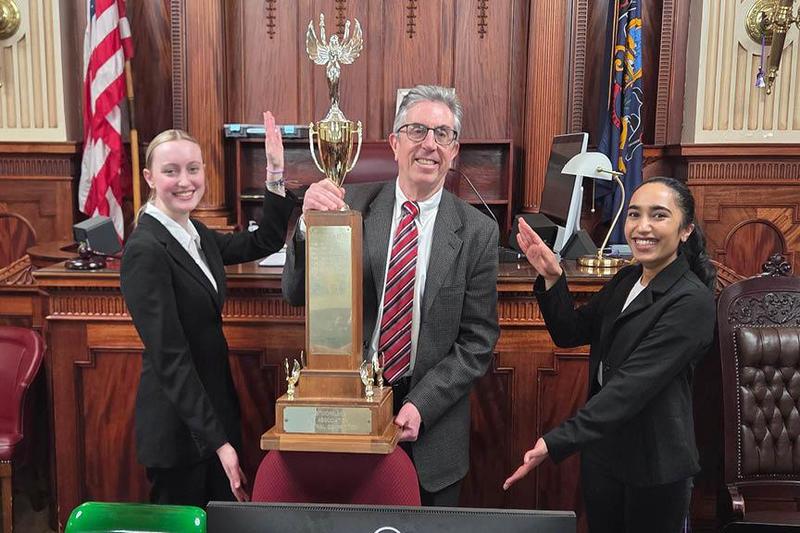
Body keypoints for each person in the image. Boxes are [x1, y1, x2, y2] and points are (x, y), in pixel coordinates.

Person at [282, 85, 500, 506]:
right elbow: (294, 294)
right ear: (395, 143)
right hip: (351, 417)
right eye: (417, 130)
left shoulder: (477, 232)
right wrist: (308, 226)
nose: (430, 145)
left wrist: (423, 404)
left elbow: (478, 341)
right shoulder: (352, 207)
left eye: (443, 134)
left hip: (431, 428)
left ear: (455, 151)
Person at [503, 177, 717, 533]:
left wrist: (554, 441)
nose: (642, 227)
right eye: (634, 214)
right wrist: (553, 277)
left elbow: (629, 388)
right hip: (604, 456)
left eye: (659, 215)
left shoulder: (690, 301)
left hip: (654, 468)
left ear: (685, 230)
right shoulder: (628, 278)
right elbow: (570, 331)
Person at [120, 112, 295, 506]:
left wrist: (275, 172)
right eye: (171, 171)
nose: (185, 181)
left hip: (211, 416)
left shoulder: (191, 231)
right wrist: (219, 443)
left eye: (193, 169)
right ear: (150, 178)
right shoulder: (146, 250)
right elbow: (171, 361)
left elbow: (261, 242)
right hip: (180, 432)